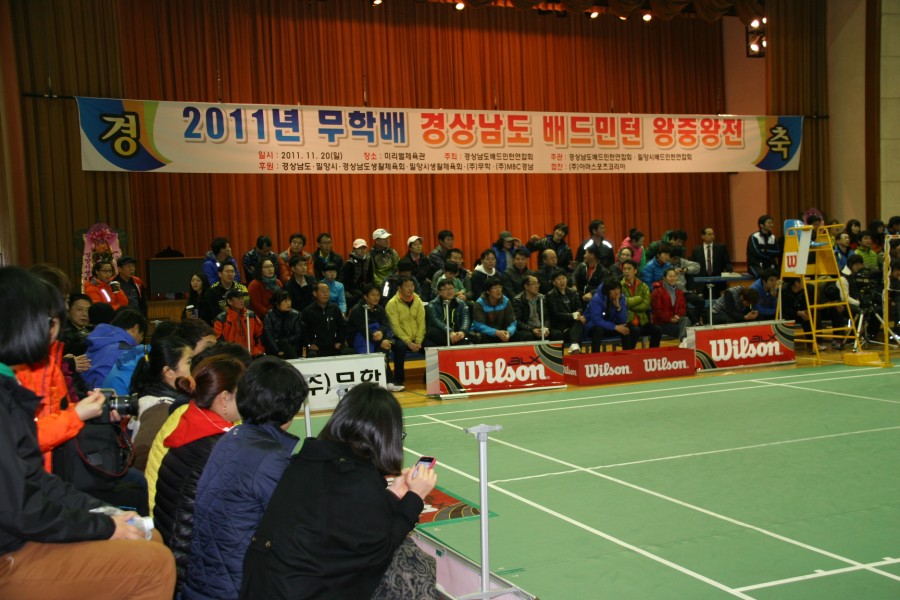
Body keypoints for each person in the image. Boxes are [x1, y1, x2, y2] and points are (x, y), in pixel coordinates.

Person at [0, 266, 176, 600]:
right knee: (156, 564)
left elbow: (35, 481)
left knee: (146, 537)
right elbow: (21, 508)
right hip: (11, 546)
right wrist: (105, 525)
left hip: (21, 528)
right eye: (47, 320)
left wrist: (105, 514)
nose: (52, 331)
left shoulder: (8, 387)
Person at [241, 383, 438, 599]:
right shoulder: (355, 479)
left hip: (262, 585)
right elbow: (379, 552)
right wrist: (415, 498)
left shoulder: (310, 460)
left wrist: (393, 494)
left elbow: (351, 523)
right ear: (384, 437)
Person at [184, 357, 308, 600]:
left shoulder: (232, 437)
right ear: (290, 409)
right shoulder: (270, 459)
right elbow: (298, 527)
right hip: (238, 587)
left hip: (204, 580)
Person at [154, 354, 247, 594]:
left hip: (174, 550)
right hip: (195, 567)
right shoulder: (220, 447)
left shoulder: (192, 423)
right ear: (224, 398)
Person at [129, 335, 193, 470]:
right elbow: (141, 459)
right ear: (169, 372)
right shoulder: (161, 409)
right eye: (189, 362)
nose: (193, 368)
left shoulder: (159, 398)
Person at [348, 284, 405, 392]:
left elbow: (384, 324)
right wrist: (380, 342)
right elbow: (363, 330)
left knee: (394, 346)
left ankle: (391, 381)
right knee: (381, 348)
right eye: (373, 295)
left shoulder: (379, 308)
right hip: (361, 338)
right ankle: (380, 382)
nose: (376, 298)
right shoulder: (357, 310)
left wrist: (381, 332)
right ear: (365, 296)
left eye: (378, 295)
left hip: (377, 336)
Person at [83, 308, 148, 388]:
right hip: (105, 393)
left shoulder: (98, 341)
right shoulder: (126, 351)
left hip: (84, 391)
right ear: (135, 328)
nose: (141, 340)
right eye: (142, 335)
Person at [385, 275, 426, 390]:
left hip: (417, 338)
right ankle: (398, 380)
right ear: (399, 288)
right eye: (407, 286)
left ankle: (429, 377)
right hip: (399, 338)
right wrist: (408, 342)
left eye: (412, 286)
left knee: (432, 346)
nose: (410, 288)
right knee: (400, 347)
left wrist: (418, 341)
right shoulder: (392, 304)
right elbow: (395, 327)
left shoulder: (418, 300)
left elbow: (421, 322)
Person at [301, 282, 351, 358]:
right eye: (323, 291)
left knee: (349, 352)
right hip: (317, 348)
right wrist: (309, 344)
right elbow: (303, 331)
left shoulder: (335, 308)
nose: (326, 294)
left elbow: (342, 326)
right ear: (315, 293)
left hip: (334, 345)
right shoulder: (308, 311)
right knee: (312, 355)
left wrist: (340, 341)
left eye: (327, 291)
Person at [620, 260, 662, 348]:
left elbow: (645, 305)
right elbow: (622, 303)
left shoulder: (643, 286)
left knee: (657, 330)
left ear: (635, 270)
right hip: (628, 321)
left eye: (629, 269)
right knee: (635, 330)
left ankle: (653, 354)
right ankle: (629, 355)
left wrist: (630, 305)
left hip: (642, 321)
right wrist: (639, 299)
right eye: (624, 269)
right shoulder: (619, 286)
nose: (626, 271)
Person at [214, 289, 265, 357]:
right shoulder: (221, 319)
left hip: (252, 354)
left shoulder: (251, 315)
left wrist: (258, 351)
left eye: (242, 298)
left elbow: (260, 335)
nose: (242, 301)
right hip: (231, 356)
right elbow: (219, 342)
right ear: (229, 301)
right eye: (238, 299)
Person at [544, 270, 586, 353]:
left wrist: (578, 313)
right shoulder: (550, 295)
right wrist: (572, 316)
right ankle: (574, 346)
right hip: (559, 325)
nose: (562, 281)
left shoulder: (573, 292)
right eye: (558, 279)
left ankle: (574, 345)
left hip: (572, 325)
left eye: (563, 278)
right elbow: (556, 314)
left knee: (580, 322)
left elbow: (579, 307)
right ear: (554, 282)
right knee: (576, 326)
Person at [425, 278, 475, 346]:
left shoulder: (461, 303)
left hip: (456, 333)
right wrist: (450, 332)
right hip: (441, 333)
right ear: (439, 292)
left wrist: (462, 331)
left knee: (469, 337)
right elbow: (436, 321)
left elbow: (465, 318)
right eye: (445, 289)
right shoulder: (432, 305)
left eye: (451, 288)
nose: (449, 291)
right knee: (433, 332)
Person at [584, 278, 630, 353]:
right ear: (607, 291)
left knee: (626, 329)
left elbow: (623, 320)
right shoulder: (597, 298)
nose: (617, 292)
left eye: (618, 288)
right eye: (613, 289)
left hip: (609, 326)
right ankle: (596, 357)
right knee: (598, 330)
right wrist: (614, 327)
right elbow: (596, 320)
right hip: (593, 326)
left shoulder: (621, 297)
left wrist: (618, 308)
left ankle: (627, 357)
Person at [471, 276, 522, 343]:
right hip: (487, 333)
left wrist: (509, 332)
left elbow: (512, 321)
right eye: (495, 288)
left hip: (502, 332)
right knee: (482, 337)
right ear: (487, 291)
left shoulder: (506, 301)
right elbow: (478, 325)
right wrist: (495, 332)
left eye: (500, 287)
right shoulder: (479, 303)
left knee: (522, 335)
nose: (498, 290)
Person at [690, 226, 733, 297]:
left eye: (713, 234)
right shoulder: (696, 250)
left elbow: (727, 262)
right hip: (702, 281)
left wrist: (730, 272)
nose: (712, 236)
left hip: (718, 280)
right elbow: (693, 266)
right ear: (703, 236)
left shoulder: (721, 247)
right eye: (709, 234)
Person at [650, 268, 691, 340]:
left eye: (674, 276)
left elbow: (682, 307)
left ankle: (683, 340)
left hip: (675, 320)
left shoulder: (679, 292)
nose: (673, 278)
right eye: (670, 276)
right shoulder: (657, 291)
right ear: (664, 278)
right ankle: (684, 340)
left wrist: (678, 316)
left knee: (685, 319)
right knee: (679, 329)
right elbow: (657, 311)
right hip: (661, 323)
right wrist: (669, 319)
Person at [262, 289, 304, 359]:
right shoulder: (269, 316)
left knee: (284, 344)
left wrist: (285, 341)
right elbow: (268, 337)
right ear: (277, 303)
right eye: (285, 301)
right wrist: (277, 351)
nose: (288, 303)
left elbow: (298, 334)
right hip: (274, 349)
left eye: (289, 300)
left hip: (292, 347)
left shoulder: (296, 315)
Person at [513, 274, 554, 342]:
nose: (537, 286)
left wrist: (545, 328)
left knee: (556, 334)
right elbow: (518, 321)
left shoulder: (542, 298)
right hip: (527, 329)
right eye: (534, 284)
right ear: (526, 286)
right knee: (528, 336)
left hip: (541, 327)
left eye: (538, 283)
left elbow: (547, 317)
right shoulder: (518, 300)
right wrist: (532, 329)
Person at [341, 238, 373, 310]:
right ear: (354, 249)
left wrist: (369, 286)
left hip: (366, 285)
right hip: (352, 288)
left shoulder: (369, 259)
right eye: (359, 248)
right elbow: (348, 282)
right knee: (358, 295)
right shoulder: (350, 263)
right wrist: (359, 288)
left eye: (364, 248)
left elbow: (370, 276)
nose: (362, 250)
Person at [62, 292, 93, 357]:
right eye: (80, 309)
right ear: (68, 310)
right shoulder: (64, 333)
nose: (85, 314)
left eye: (88, 310)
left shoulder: (87, 331)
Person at [404, 235, 432, 299]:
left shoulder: (425, 258)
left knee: (427, 284)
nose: (418, 246)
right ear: (410, 248)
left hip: (424, 283)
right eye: (415, 245)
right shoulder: (406, 260)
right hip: (411, 283)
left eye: (420, 244)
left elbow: (428, 273)